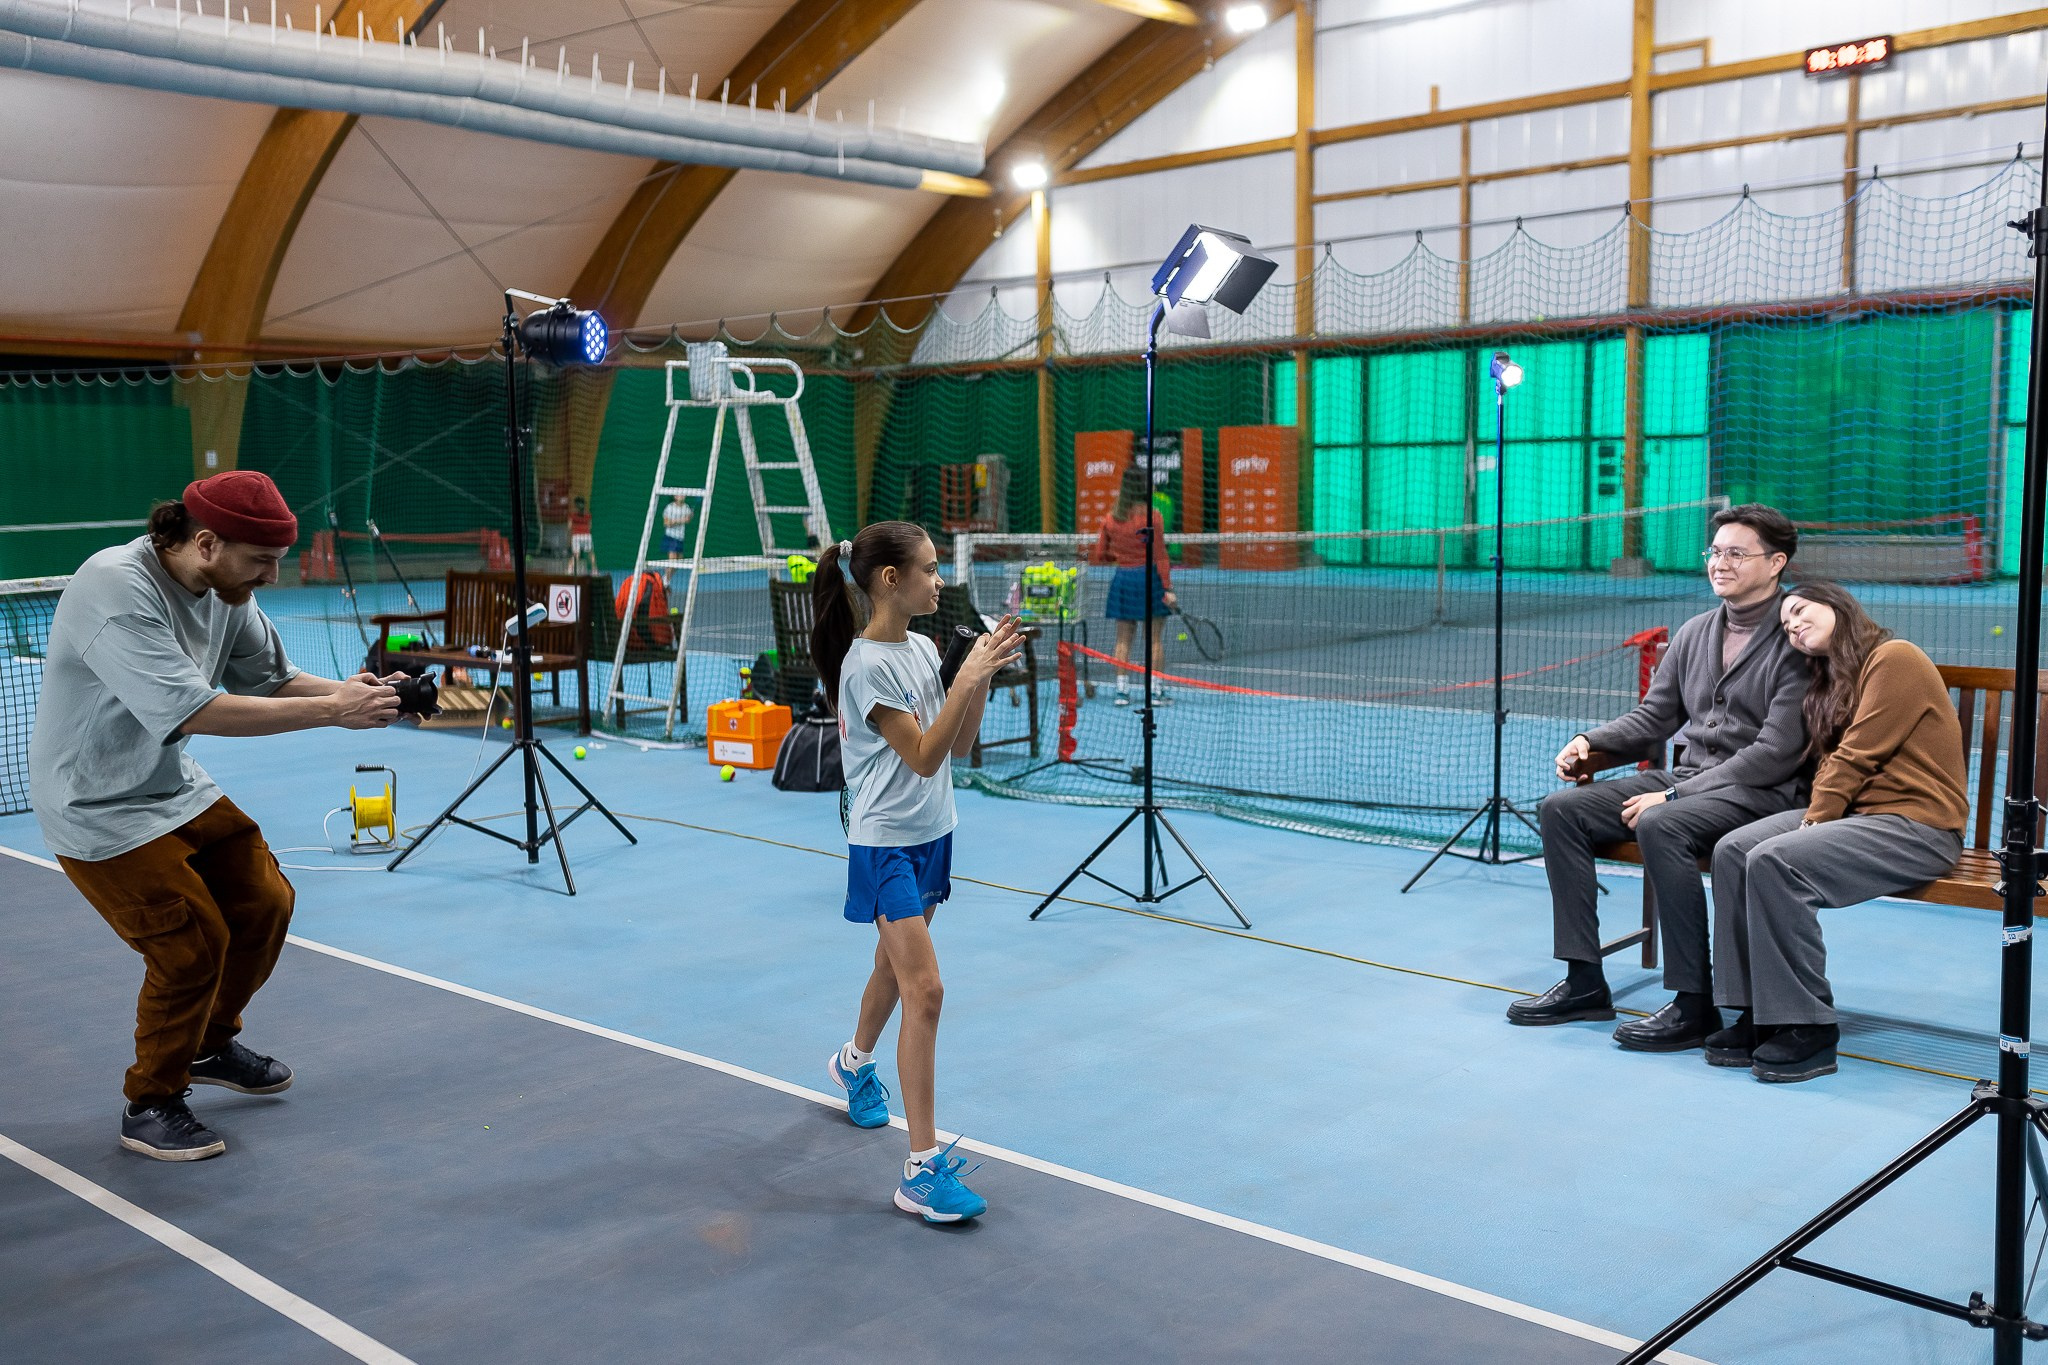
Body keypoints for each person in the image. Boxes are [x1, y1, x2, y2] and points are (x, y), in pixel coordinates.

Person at [29, 471, 402, 1161]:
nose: (270, 576)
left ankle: (207, 1042)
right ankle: (150, 1101)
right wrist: (332, 711)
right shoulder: (116, 586)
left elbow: (270, 679)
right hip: (94, 803)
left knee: (264, 902)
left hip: (168, 783)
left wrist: (362, 694)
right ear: (206, 542)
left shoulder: (227, 590)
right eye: (260, 562)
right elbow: (194, 709)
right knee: (190, 941)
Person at [1507, 504, 1812, 1051]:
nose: (1720, 563)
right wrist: (1592, 741)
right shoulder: (1697, 632)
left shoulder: (1797, 638)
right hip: (1691, 783)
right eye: (1715, 552)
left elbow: (1774, 754)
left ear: (1776, 563)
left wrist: (1670, 793)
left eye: (1736, 553)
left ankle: (1695, 1001)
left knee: (1663, 824)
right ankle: (1583, 981)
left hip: (1761, 795)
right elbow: (1654, 718)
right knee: (1562, 809)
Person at [810, 522, 1022, 1223]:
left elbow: (956, 744)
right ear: (889, 581)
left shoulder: (927, 646)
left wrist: (979, 675)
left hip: (935, 835)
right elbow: (921, 756)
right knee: (925, 989)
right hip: (886, 845)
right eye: (930, 570)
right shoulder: (865, 665)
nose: (941, 581)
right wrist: (964, 675)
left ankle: (853, 1060)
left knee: (892, 971)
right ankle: (921, 1170)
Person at [1705, 583, 1965, 1082]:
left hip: (1919, 825)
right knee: (1735, 849)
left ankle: (1810, 1026)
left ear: (1837, 605)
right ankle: (1755, 1011)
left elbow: (1857, 755)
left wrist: (1813, 820)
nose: (1794, 625)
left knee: (1776, 859)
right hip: (1862, 817)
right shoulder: (1830, 680)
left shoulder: (1895, 657)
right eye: (1786, 625)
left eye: (1801, 610)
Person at [1091, 463, 1176, 706]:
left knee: (1122, 639)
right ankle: (1156, 692)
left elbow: (1100, 555)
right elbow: (1160, 555)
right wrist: (1168, 588)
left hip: (1124, 579)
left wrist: (1118, 557)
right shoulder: (1153, 517)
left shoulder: (1110, 518)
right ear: (1145, 486)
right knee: (1155, 640)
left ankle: (1121, 692)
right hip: (1149, 579)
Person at [659, 492, 693, 586]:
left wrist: (689, 518)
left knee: (679, 562)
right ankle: (664, 582)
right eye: (680, 495)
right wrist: (681, 520)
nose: (682, 496)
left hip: (680, 538)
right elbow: (666, 523)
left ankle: (665, 578)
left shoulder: (686, 507)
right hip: (671, 537)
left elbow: (689, 519)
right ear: (675, 497)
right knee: (673, 561)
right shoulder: (670, 508)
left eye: (683, 495)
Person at [567, 496, 597, 575]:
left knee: (576, 555)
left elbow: (569, 527)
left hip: (576, 536)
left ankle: (570, 571)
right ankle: (594, 571)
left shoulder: (572, 515)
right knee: (591, 553)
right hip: (586, 536)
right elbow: (590, 527)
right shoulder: (588, 515)